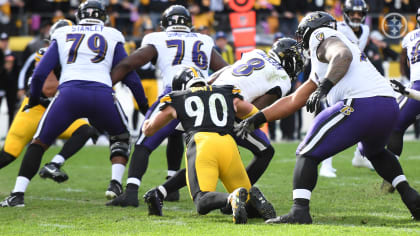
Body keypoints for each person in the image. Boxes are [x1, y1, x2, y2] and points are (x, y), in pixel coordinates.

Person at [235, 11, 420, 224]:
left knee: (307, 152)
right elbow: (295, 99)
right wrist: (258, 118)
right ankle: (410, 197)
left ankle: (299, 211)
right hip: (388, 106)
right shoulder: (325, 60)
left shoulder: (320, 36)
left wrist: (325, 87)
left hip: (362, 104)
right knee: (376, 153)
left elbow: (342, 55)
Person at [0, 0, 148, 207]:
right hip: (102, 94)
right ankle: (114, 184)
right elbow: (129, 74)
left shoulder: (62, 34)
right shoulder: (112, 35)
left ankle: (18, 194)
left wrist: (33, 99)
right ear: (102, 17)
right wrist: (144, 106)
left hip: (68, 95)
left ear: (79, 16)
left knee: (39, 142)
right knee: (121, 137)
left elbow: (40, 73)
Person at [144, 38, 304, 212]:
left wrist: (203, 90)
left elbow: (223, 72)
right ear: (290, 59)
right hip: (229, 107)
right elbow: (259, 109)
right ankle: (241, 195)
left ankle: (160, 192)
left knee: (202, 160)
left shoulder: (255, 53)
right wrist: (252, 121)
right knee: (265, 151)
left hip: (209, 97)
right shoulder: (282, 77)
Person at [107, 5, 228, 207]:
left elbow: (129, 64)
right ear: (189, 23)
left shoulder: (157, 38)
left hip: (174, 94)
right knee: (175, 136)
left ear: (165, 24)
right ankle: (171, 190)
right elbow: (225, 70)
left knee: (144, 143)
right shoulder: (204, 40)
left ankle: (130, 192)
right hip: (201, 99)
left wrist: (107, 82)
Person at [142, 66, 276, 223]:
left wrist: (149, 120)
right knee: (244, 201)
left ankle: (232, 197)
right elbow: (256, 116)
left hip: (202, 144)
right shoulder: (227, 93)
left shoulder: (178, 98)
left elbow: (149, 130)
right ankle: (251, 199)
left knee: (201, 199)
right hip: (228, 144)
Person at [0, 23, 98, 177]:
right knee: (8, 155)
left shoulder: (78, 59)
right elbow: (49, 89)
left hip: (57, 110)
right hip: (35, 109)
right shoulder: (45, 53)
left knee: (85, 130)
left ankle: (54, 164)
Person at [319, 0, 372, 178]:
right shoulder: (338, 29)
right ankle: (326, 164)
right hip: (336, 80)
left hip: (356, 81)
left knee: (366, 117)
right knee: (333, 120)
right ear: (346, 13)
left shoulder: (366, 31)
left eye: (359, 13)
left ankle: (360, 156)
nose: (356, 16)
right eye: (353, 13)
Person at [381, 8, 420, 193]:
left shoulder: (410, 37)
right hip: (414, 86)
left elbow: (404, 61)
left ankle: (390, 180)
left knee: (395, 127)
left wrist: (408, 84)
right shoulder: (410, 37)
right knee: (395, 126)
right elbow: (405, 61)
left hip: (416, 86)